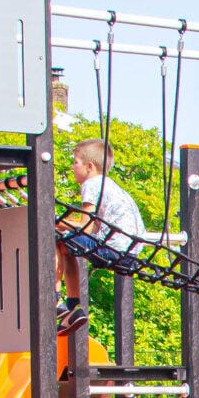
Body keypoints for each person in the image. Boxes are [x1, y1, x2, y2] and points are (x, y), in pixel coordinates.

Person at [54, 137, 155, 323]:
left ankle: (56, 297)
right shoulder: (110, 185)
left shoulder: (91, 184)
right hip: (131, 251)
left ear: (90, 166)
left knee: (57, 237)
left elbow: (85, 227)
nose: (72, 167)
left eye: (75, 162)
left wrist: (57, 222)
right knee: (66, 244)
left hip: (112, 248)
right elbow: (88, 225)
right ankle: (71, 305)